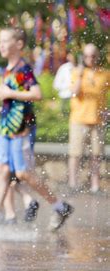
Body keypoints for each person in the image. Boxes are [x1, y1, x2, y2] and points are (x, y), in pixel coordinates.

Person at [0, 27, 73, 231]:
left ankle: (60, 206)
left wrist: (9, 93)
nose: (1, 45)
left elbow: (36, 93)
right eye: (0, 41)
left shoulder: (23, 69)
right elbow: (12, 102)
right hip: (6, 126)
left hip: (22, 128)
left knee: (23, 173)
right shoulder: (7, 70)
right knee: (2, 170)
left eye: (6, 41)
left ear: (19, 44)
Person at [0, 106, 39, 223]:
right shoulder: (11, 92)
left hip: (19, 130)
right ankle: (13, 211)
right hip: (14, 129)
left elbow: (23, 102)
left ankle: (13, 212)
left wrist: (23, 127)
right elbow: (12, 104)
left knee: (12, 173)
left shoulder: (22, 89)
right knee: (9, 173)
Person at [68, 44, 109, 194]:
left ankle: (95, 185)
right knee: (76, 153)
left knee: (96, 154)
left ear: (97, 56)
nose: (89, 59)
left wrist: (108, 111)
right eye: (86, 56)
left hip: (97, 120)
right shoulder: (77, 72)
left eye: (92, 56)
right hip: (78, 119)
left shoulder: (104, 74)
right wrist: (79, 75)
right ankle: (73, 184)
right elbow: (74, 93)